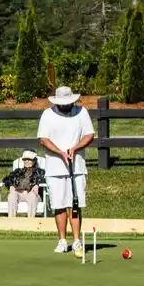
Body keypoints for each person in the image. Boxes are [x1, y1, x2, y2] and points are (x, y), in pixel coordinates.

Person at [37, 85, 94, 257]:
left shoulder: (82, 112)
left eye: (68, 102)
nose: (66, 105)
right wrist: (60, 152)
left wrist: (75, 148)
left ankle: (77, 241)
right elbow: (43, 139)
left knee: (74, 205)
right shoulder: (47, 114)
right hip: (55, 167)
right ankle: (62, 241)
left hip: (76, 166)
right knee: (59, 205)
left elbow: (89, 135)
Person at [1, 150, 47, 218]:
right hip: (19, 194)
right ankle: (11, 219)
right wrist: (11, 185)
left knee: (32, 195)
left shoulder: (40, 172)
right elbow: (6, 179)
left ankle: (30, 220)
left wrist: (37, 184)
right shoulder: (18, 171)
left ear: (34, 161)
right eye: (25, 159)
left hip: (33, 194)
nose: (27, 161)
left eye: (29, 160)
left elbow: (44, 179)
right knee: (12, 195)